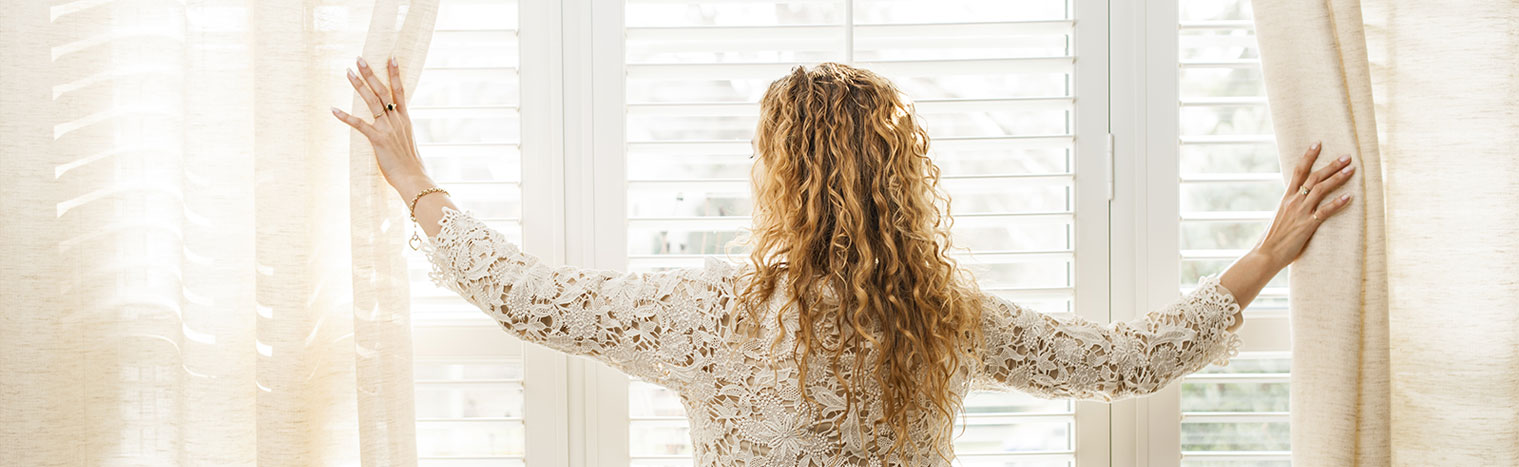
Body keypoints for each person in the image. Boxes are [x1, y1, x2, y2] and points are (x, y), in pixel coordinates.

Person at [331, 56, 1354, 466]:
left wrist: (413, 179)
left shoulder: (711, 313)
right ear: (897, 183)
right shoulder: (943, 316)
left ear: (781, 179)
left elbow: (528, 299)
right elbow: (1123, 358)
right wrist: (1263, 255)